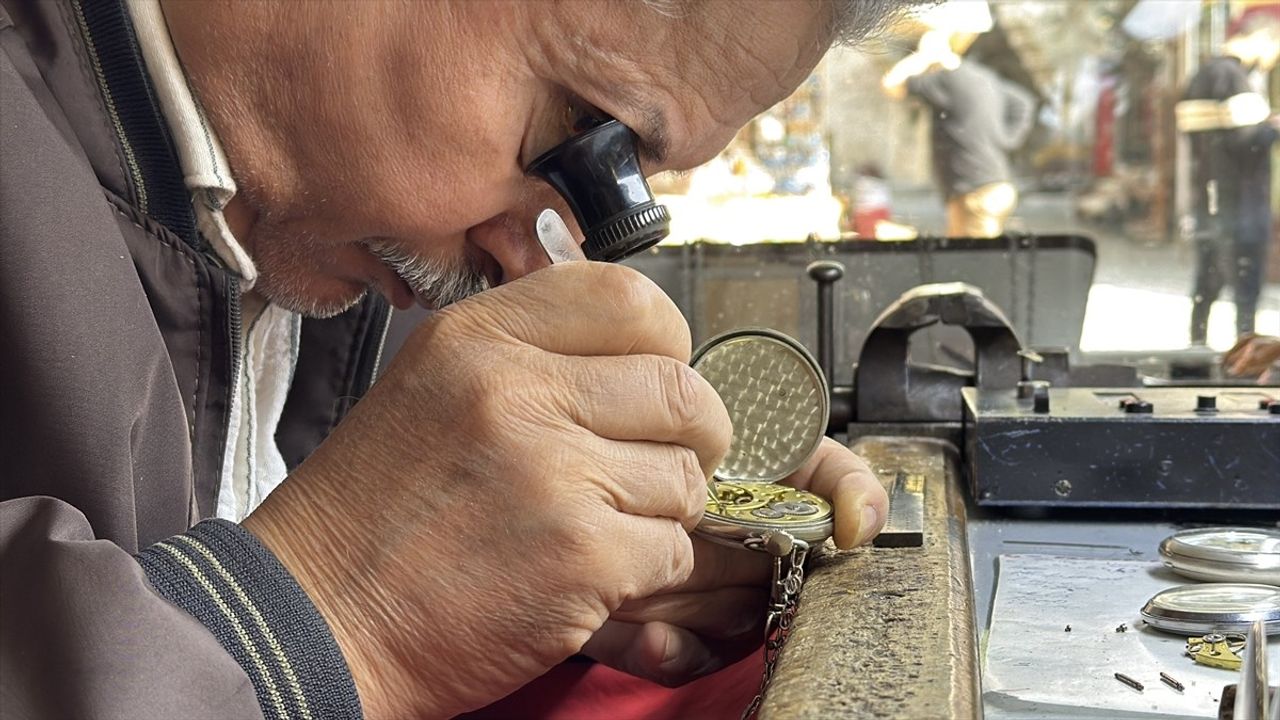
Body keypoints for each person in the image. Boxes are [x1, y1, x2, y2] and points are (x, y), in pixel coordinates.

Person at [0, 1, 902, 718]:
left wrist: (555, 537)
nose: (540, 259)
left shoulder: (359, 246)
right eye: (583, 127)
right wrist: (335, 615)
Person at [1177, 10, 1280, 345]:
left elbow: (1204, 139)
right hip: (1242, 199)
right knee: (1245, 282)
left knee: (1208, 276)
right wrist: (1271, 129)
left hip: (1212, 196)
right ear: (1264, 39)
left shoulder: (1202, 75)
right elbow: (1242, 141)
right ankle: (1244, 349)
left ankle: (1196, 345)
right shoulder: (1232, 77)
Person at [881, 30, 1036, 238]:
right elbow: (1024, 102)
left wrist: (922, 57)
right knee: (965, 256)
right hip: (996, 186)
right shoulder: (983, 77)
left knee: (970, 263)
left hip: (974, 193)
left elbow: (891, 85)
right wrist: (1007, 138)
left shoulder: (946, 81)